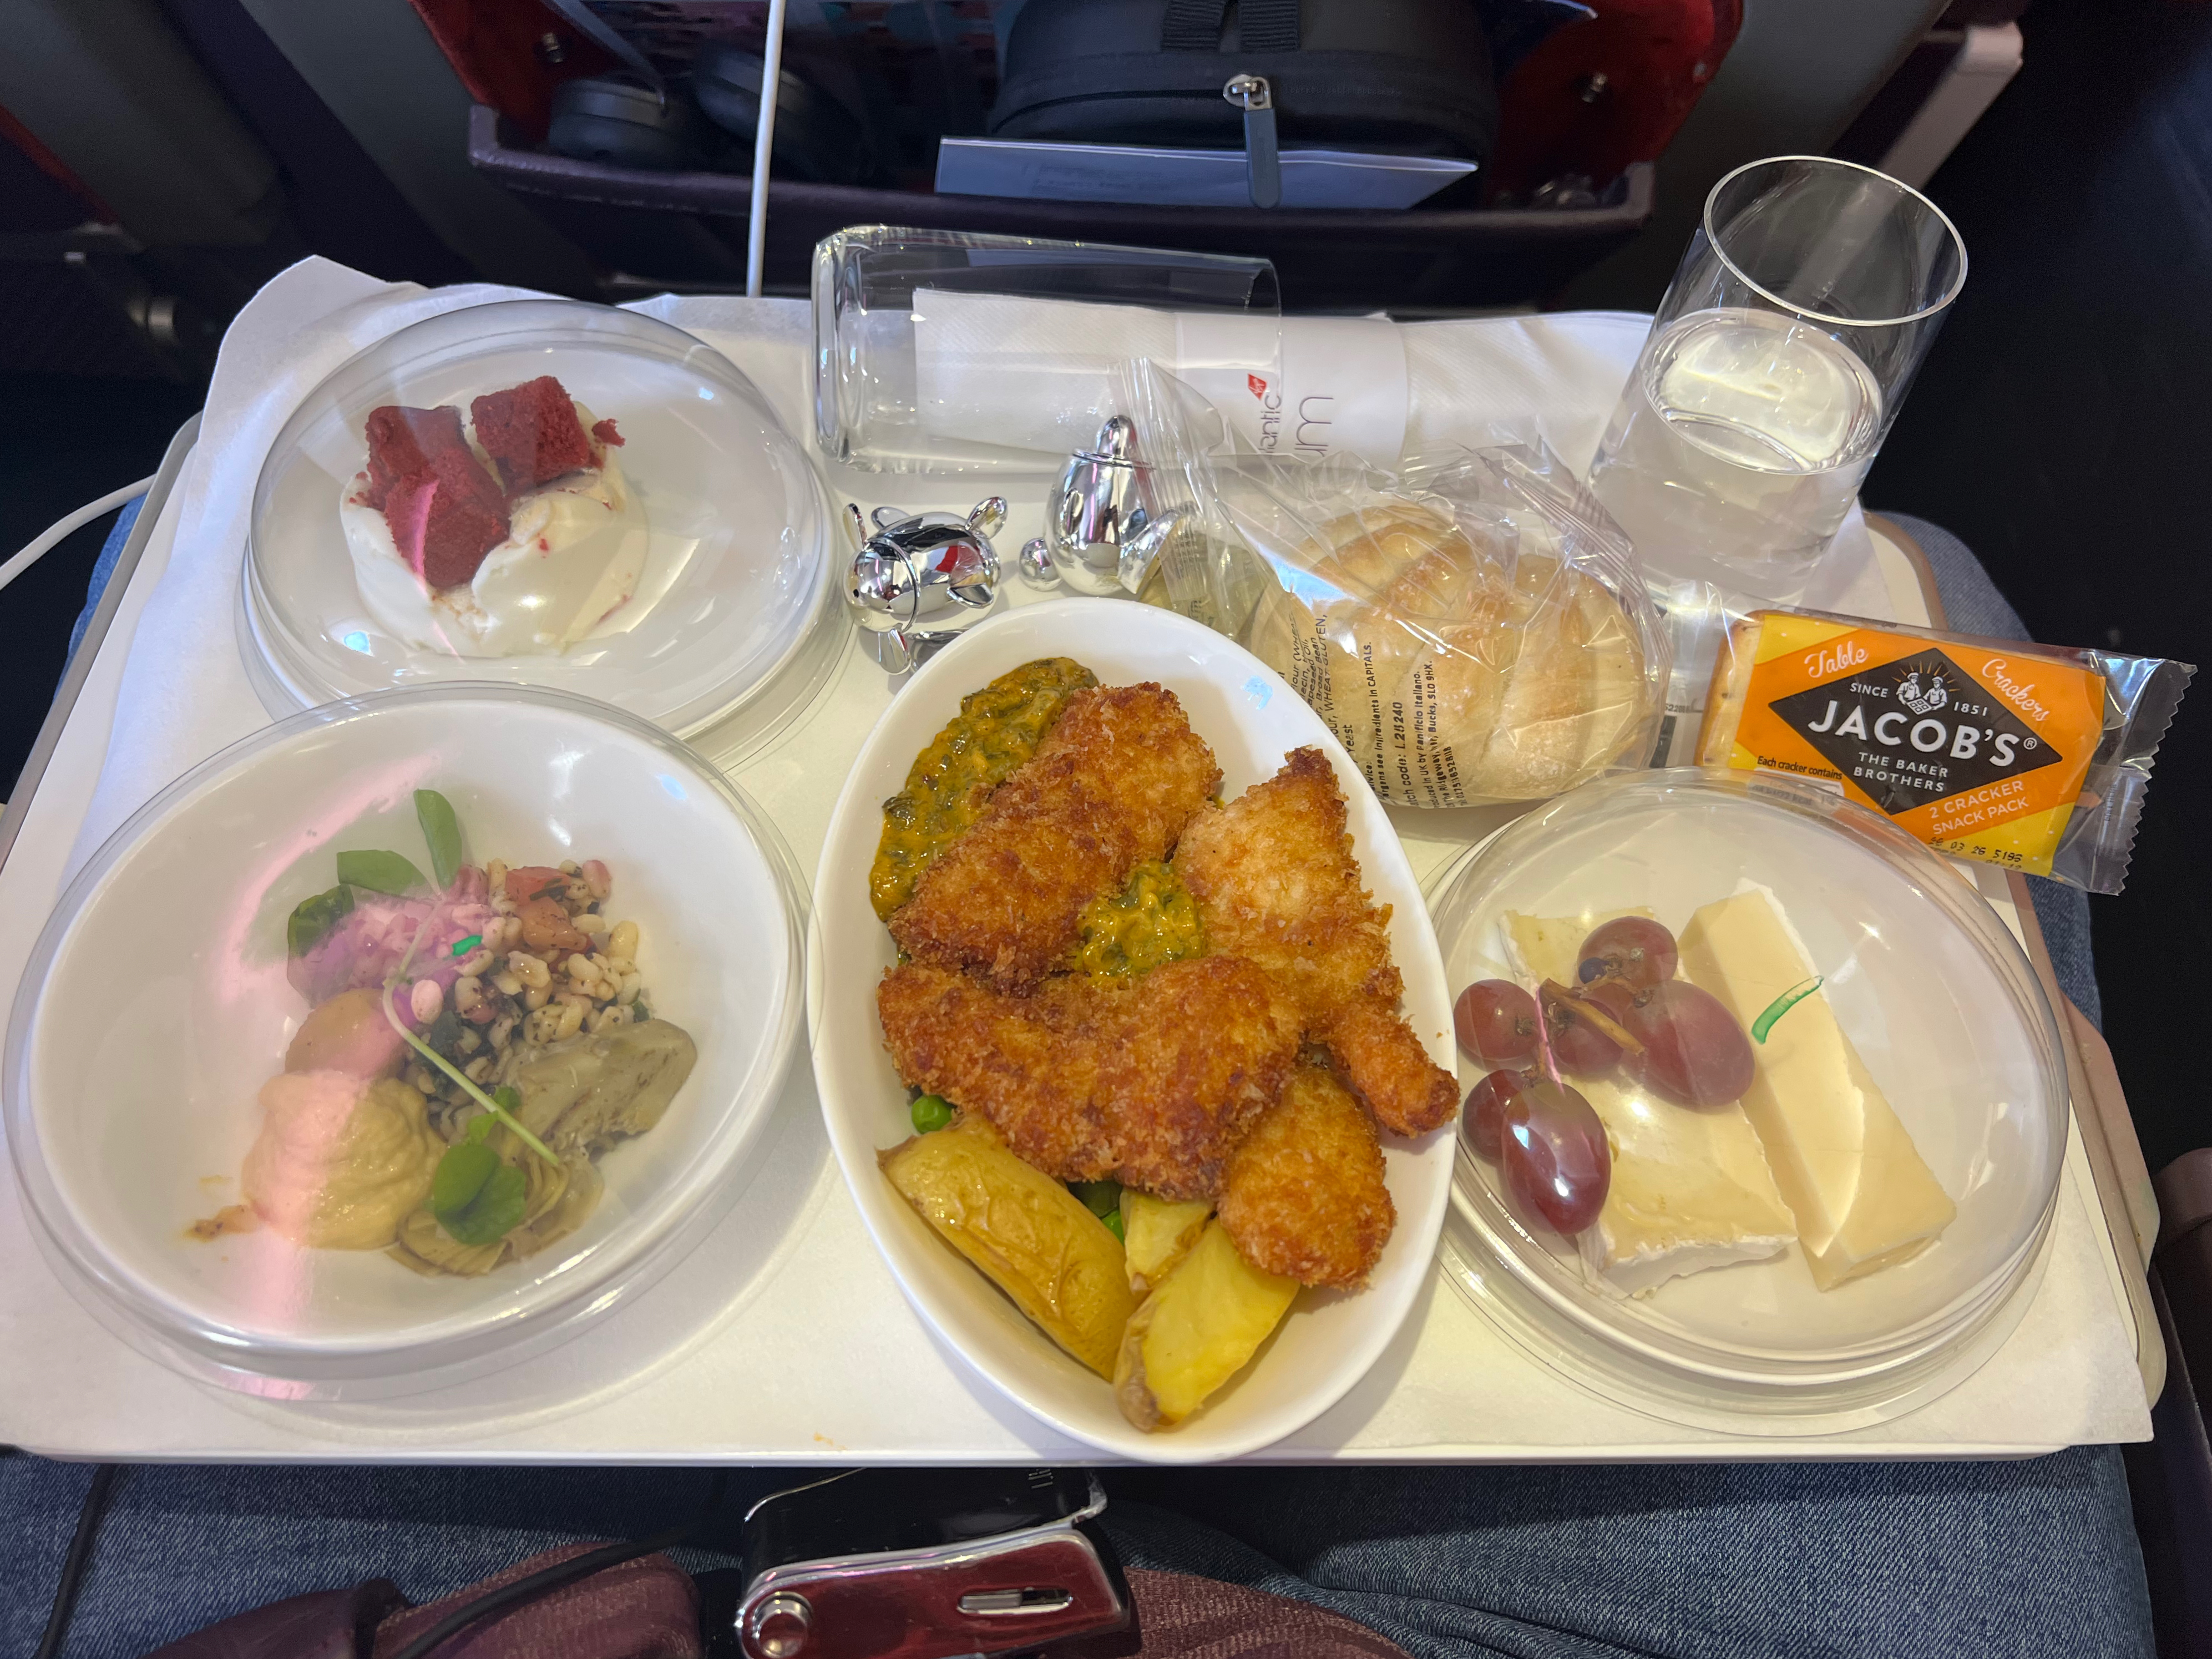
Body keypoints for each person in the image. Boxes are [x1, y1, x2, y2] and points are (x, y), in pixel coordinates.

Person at [0, 518, 2155, 1659]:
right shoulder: (1037, 945)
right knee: (1938, 572)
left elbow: (1244, 1058)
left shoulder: (1239, 945)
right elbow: (989, 998)